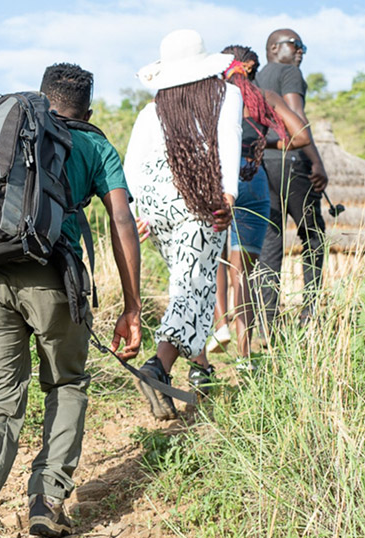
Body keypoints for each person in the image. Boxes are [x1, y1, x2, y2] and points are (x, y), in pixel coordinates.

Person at [0, 63, 143, 538]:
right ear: (87, 109)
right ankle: (47, 503)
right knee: (67, 383)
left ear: (41, 97)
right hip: (55, 279)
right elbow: (122, 221)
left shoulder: (7, 136)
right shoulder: (94, 146)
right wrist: (132, 305)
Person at [123, 29, 242, 419]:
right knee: (196, 287)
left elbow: (133, 166)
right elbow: (230, 140)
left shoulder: (150, 110)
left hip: (157, 209)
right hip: (199, 200)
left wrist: (139, 211)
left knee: (187, 285)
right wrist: (227, 196)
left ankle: (202, 371)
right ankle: (158, 368)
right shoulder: (225, 95)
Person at [207, 46, 312, 368]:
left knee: (214, 262)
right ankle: (244, 353)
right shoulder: (265, 96)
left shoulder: (213, 96)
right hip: (253, 180)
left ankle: (219, 327)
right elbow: (301, 137)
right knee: (245, 272)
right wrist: (261, 142)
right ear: (251, 67)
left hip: (218, 179)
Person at [254, 28, 328, 329]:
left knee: (270, 239)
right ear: (274, 47)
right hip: (292, 161)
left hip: (261, 165)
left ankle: (266, 322)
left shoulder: (254, 80)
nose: (300, 52)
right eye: (296, 45)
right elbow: (297, 118)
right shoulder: (289, 73)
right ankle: (309, 314)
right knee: (314, 235)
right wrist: (317, 161)